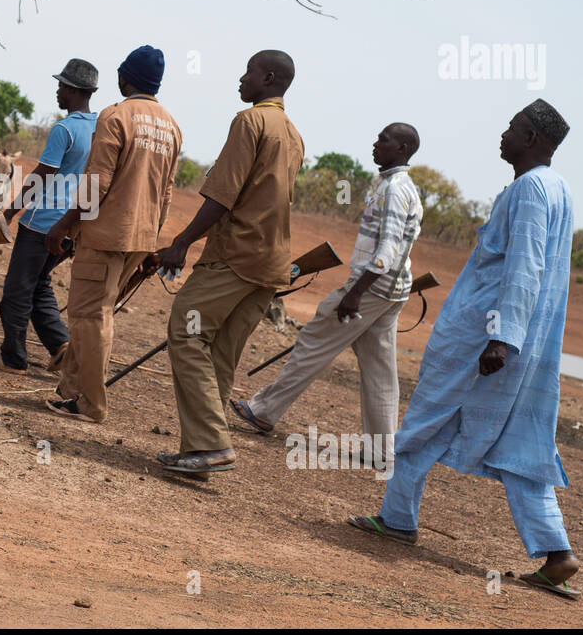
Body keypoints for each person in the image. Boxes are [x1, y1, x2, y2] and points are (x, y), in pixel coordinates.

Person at [348, 100, 583, 600]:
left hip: (483, 334)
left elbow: (525, 266)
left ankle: (395, 520)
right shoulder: (556, 188)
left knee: (425, 417)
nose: (504, 134)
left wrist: (501, 338)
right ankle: (557, 552)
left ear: (535, 140)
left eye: (514, 129)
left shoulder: (532, 189)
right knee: (520, 445)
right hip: (522, 340)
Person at [231, 122, 423, 463]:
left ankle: (264, 411)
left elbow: (389, 247)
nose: (376, 143)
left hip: (373, 285)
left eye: (385, 139)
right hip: (392, 289)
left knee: (313, 340)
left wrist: (355, 293)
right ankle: (381, 449)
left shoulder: (395, 188)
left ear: (403, 149)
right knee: (379, 368)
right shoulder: (398, 185)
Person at [152, 50, 304, 476]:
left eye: (249, 71)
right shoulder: (293, 133)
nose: (241, 78)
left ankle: (211, 444)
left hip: (235, 257)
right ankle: (203, 452)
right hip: (269, 266)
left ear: (268, 78)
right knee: (220, 354)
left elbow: (223, 193)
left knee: (186, 331)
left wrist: (181, 243)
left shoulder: (250, 121)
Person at [44, 45, 182, 424]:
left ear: (125, 78)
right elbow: (166, 193)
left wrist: (64, 225)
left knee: (90, 317)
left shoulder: (116, 115)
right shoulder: (171, 126)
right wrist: (152, 238)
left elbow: (95, 184)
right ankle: (70, 391)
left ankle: (90, 404)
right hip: (139, 238)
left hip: (106, 236)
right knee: (98, 313)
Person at [0, 58, 99, 374]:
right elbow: (96, 179)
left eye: (61, 86)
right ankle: (61, 346)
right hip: (72, 224)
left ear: (74, 90)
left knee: (17, 291)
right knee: (39, 285)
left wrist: (10, 212)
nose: (57, 91)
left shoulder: (65, 128)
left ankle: (14, 358)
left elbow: (42, 174)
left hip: (42, 223)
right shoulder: (99, 129)